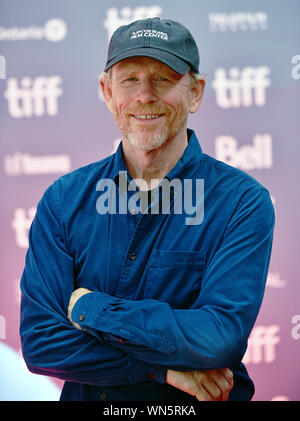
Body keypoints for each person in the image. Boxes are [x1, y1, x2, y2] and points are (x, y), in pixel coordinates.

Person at [20, 17, 275, 402]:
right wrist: (164, 370)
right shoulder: (63, 200)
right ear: (107, 91)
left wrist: (89, 307)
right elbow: (41, 342)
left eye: (163, 79)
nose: (144, 95)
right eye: (130, 80)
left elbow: (218, 338)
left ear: (195, 92)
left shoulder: (242, 201)